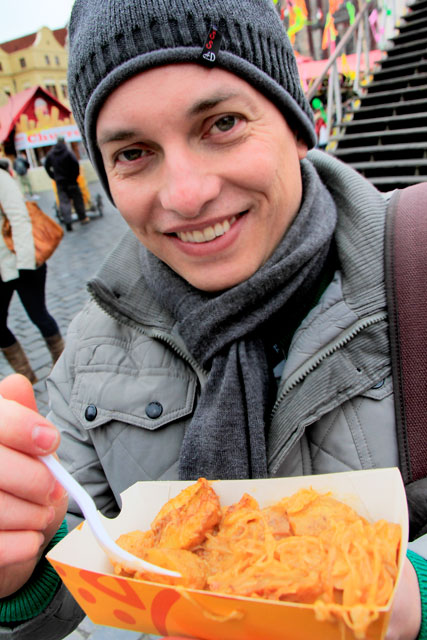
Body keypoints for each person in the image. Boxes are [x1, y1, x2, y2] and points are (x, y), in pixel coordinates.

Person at [0, 1, 425, 639]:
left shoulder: (417, 272)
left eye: (222, 123)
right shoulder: (91, 351)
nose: (186, 194)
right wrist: (24, 569)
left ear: (297, 122)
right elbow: (86, 580)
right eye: (134, 152)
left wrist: (415, 598)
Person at [0, 160, 65, 384]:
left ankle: (63, 365)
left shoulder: (2, 179)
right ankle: (26, 378)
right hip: (2, 268)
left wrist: (25, 264)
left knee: (38, 315)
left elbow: (19, 218)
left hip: (22, 262)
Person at [44, 137, 90, 231]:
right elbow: (76, 164)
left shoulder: (51, 154)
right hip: (72, 181)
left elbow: (46, 166)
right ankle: (82, 218)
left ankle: (68, 221)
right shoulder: (68, 152)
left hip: (60, 182)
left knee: (64, 202)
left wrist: (53, 176)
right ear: (64, 142)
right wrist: (75, 176)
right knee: (78, 200)